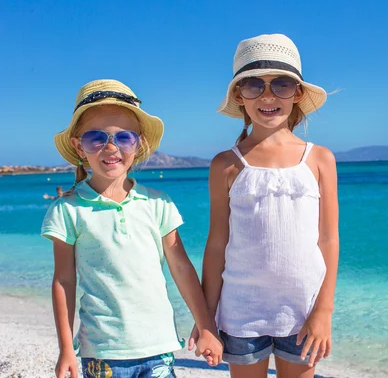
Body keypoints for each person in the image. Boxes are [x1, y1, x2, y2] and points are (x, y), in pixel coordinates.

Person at [41, 79, 223, 378]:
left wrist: (206, 326)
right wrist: (65, 349)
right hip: (102, 354)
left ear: (137, 144)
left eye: (123, 138)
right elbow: (63, 282)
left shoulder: (158, 204)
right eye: (96, 138)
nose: (111, 148)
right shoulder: (68, 210)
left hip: (159, 348)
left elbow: (181, 268)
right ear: (78, 145)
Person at [189, 33, 339, 378]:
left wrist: (324, 311)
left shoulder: (319, 159)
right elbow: (216, 245)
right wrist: (207, 319)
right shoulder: (225, 164)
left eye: (282, 84)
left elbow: (329, 240)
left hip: (303, 311)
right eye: (254, 85)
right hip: (242, 310)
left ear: (297, 93)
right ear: (239, 95)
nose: (268, 96)